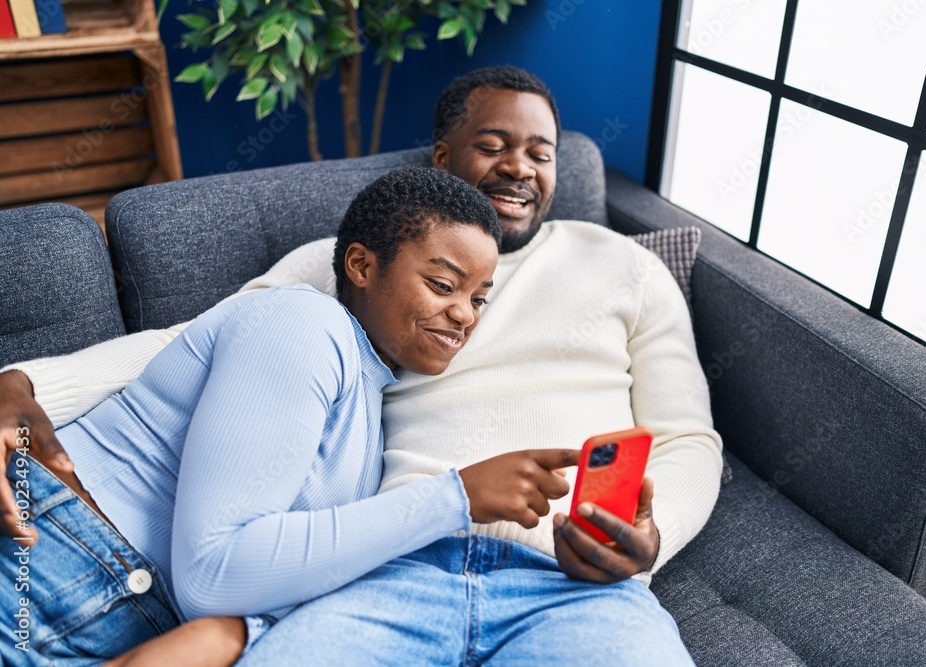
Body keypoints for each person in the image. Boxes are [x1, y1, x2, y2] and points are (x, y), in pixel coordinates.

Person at [1, 67, 722, 664]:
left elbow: (688, 440)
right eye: (495, 144)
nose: (519, 167)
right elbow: (192, 341)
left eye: (542, 152)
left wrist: (642, 544)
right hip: (382, 570)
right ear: (444, 159)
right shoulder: (345, 268)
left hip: (563, 575)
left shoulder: (625, 266)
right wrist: (24, 381)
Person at [0, 167, 579, 666]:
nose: (463, 316)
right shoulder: (304, 323)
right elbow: (212, 573)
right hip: (48, 553)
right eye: (443, 284)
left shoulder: (367, 419)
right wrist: (456, 497)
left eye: (478, 298)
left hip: (123, 615)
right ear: (361, 265)